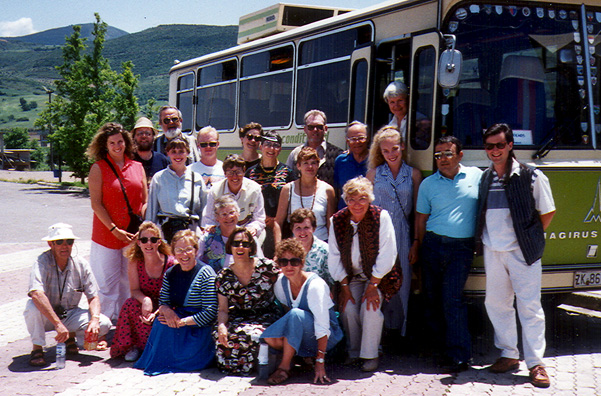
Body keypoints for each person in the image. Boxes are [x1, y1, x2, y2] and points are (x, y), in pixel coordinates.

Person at [476, 123, 555, 388]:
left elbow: (547, 212)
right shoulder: (485, 177)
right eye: (490, 146)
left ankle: (536, 364)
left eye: (500, 145)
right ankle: (509, 354)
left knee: (530, 306)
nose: (495, 151)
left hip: (522, 253)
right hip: (493, 250)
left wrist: (527, 239)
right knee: (496, 304)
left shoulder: (531, 176)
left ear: (511, 145)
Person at [415, 135, 482, 372]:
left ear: (460, 155)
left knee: (452, 300)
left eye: (448, 153)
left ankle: (460, 356)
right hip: (432, 246)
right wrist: (419, 247)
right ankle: (438, 351)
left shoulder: (477, 176)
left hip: (461, 249)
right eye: (438, 154)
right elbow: (421, 219)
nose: (442, 159)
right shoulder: (428, 184)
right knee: (432, 300)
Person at [328, 177, 398, 372]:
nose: (356, 204)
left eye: (362, 199)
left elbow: (388, 254)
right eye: (351, 199)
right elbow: (333, 255)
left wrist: (373, 285)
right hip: (351, 277)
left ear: (370, 199)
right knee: (348, 308)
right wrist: (344, 288)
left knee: (370, 308)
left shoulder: (381, 217)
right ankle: (354, 352)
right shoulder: (337, 220)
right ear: (345, 200)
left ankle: (370, 354)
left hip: (378, 276)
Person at [25, 223, 112, 367]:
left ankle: (70, 338)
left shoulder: (81, 263)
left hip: (69, 313)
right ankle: (37, 348)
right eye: (59, 242)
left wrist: (95, 320)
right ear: (50, 244)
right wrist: (57, 324)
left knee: (104, 323)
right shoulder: (41, 262)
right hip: (46, 315)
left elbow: (93, 296)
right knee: (32, 308)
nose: (65, 246)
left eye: (69, 242)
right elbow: (36, 293)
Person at [134, 230, 217, 375]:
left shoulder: (206, 273)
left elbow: (210, 312)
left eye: (188, 249)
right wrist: (166, 311)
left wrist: (183, 322)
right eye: (179, 250)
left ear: (196, 250)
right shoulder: (171, 273)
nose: (184, 255)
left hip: (197, 326)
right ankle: (160, 360)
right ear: (174, 252)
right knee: (161, 321)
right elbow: (163, 302)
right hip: (178, 319)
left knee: (168, 327)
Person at [261, 239, 343, 385]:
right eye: (284, 262)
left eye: (294, 261)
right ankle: (300, 357)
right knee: (270, 337)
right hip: (303, 331)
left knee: (295, 315)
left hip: (326, 335)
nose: (289, 266)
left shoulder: (314, 286)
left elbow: (322, 325)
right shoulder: (281, 283)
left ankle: (284, 367)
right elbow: (286, 310)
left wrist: (320, 363)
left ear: (302, 262)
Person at [87, 122, 147, 320]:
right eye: (112, 142)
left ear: (126, 142)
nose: (117, 146)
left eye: (120, 141)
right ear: (105, 145)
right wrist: (114, 229)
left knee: (129, 284)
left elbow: (145, 202)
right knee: (105, 285)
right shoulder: (98, 168)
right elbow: (96, 204)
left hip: (133, 235)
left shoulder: (138, 167)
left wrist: (143, 228)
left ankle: (125, 327)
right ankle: (102, 328)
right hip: (106, 236)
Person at [366, 126, 422, 336]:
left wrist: (416, 241)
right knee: (378, 280)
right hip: (378, 232)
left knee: (404, 281)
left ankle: (402, 330)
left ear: (402, 148)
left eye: (395, 149)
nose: (391, 154)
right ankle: (377, 334)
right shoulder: (373, 174)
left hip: (402, 231)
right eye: (386, 151)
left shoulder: (413, 174)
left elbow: (417, 211)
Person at [214, 227, 280, 375]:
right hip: (238, 316)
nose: (240, 247)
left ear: (251, 247)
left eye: (245, 243)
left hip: (266, 314)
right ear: (230, 246)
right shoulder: (223, 277)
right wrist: (221, 326)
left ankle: (260, 368)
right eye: (236, 243)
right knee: (223, 336)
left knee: (251, 335)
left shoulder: (267, 267)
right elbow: (223, 309)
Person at [110, 222, 175, 361]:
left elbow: (174, 295)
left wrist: (157, 312)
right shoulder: (135, 262)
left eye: (153, 240)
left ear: (159, 242)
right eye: (144, 240)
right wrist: (146, 300)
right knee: (130, 304)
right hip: (146, 305)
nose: (148, 243)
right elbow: (134, 290)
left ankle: (148, 348)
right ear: (138, 243)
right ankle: (134, 346)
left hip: (166, 305)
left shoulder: (171, 263)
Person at [246, 131, 296, 258]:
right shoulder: (250, 173)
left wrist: (277, 219)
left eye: (275, 145)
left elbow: (293, 200)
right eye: (267, 144)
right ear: (260, 146)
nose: (271, 149)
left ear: (280, 149)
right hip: (257, 227)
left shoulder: (288, 173)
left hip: (282, 227)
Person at [146, 137, 206, 243]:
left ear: (187, 153)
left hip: (190, 231)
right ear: (167, 153)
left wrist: (203, 229)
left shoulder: (196, 178)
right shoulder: (159, 178)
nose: (177, 155)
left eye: (181, 151)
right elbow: (152, 210)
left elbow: (203, 209)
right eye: (173, 152)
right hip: (165, 231)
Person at [276, 147, 336, 243]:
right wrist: (278, 248)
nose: (310, 167)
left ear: (318, 165)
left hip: (322, 243)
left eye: (313, 163)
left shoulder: (328, 190)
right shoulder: (288, 189)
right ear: (298, 166)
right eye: (306, 163)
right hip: (296, 245)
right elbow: (278, 222)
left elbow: (330, 225)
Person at [202, 154, 266, 239]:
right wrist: (212, 227)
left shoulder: (255, 189)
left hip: (246, 228)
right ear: (224, 173)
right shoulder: (215, 190)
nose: (234, 176)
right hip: (222, 230)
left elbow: (259, 218)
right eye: (230, 172)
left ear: (244, 171)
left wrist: (253, 228)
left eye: (238, 172)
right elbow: (209, 218)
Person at [197, 196, 264, 272]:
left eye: (232, 212)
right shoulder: (207, 239)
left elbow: (260, 262)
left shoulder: (247, 237)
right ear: (217, 218)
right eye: (224, 214)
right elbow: (197, 263)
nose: (229, 217)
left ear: (238, 213)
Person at [285, 109, 343, 187]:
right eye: (311, 127)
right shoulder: (295, 154)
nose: (315, 130)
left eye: (319, 127)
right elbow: (287, 182)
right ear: (305, 129)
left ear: (325, 129)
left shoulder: (337, 154)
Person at [289, 208, 333, 288]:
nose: (302, 232)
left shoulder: (325, 250)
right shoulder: (287, 250)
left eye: (306, 227)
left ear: (314, 228)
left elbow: (332, 281)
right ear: (292, 229)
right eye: (298, 228)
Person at [333, 121, 370, 209]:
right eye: (353, 139)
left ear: (368, 139)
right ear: (347, 141)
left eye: (361, 138)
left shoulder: (375, 161)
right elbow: (337, 192)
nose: (357, 142)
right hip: (345, 214)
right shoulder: (341, 161)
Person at [131, 116, 170, 183]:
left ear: (153, 137)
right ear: (134, 137)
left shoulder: (162, 160)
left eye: (148, 133)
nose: (144, 136)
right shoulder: (128, 160)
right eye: (140, 133)